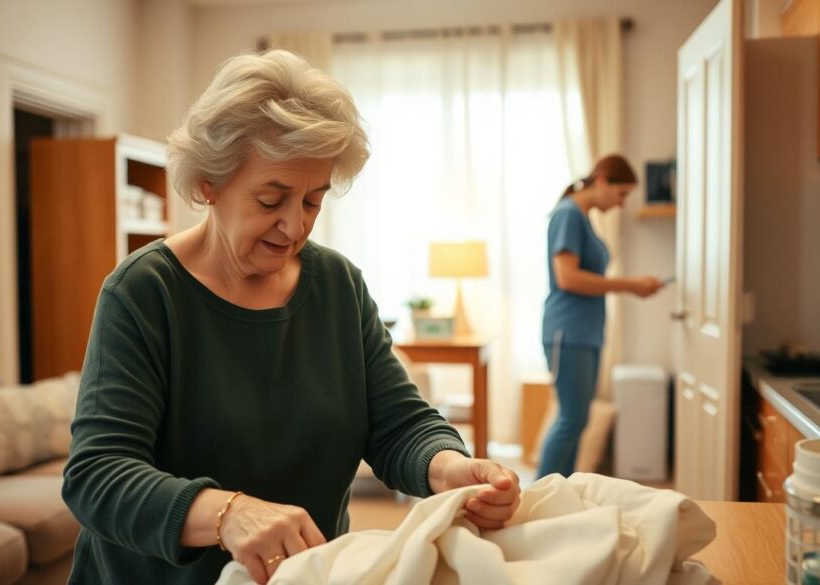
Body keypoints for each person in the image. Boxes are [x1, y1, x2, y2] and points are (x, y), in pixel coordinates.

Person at [61, 50, 521, 585]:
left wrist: (450, 468)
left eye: (312, 201)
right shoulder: (143, 294)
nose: (294, 226)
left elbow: (400, 424)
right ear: (209, 183)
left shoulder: (338, 287)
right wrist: (226, 513)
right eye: (271, 199)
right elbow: (96, 476)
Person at [538, 155, 663, 480]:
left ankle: (558, 495)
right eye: (621, 194)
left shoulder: (581, 217)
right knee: (571, 419)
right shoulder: (568, 214)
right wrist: (630, 285)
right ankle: (533, 500)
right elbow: (567, 278)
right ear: (603, 180)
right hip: (568, 331)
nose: (622, 204)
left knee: (577, 420)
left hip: (584, 333)